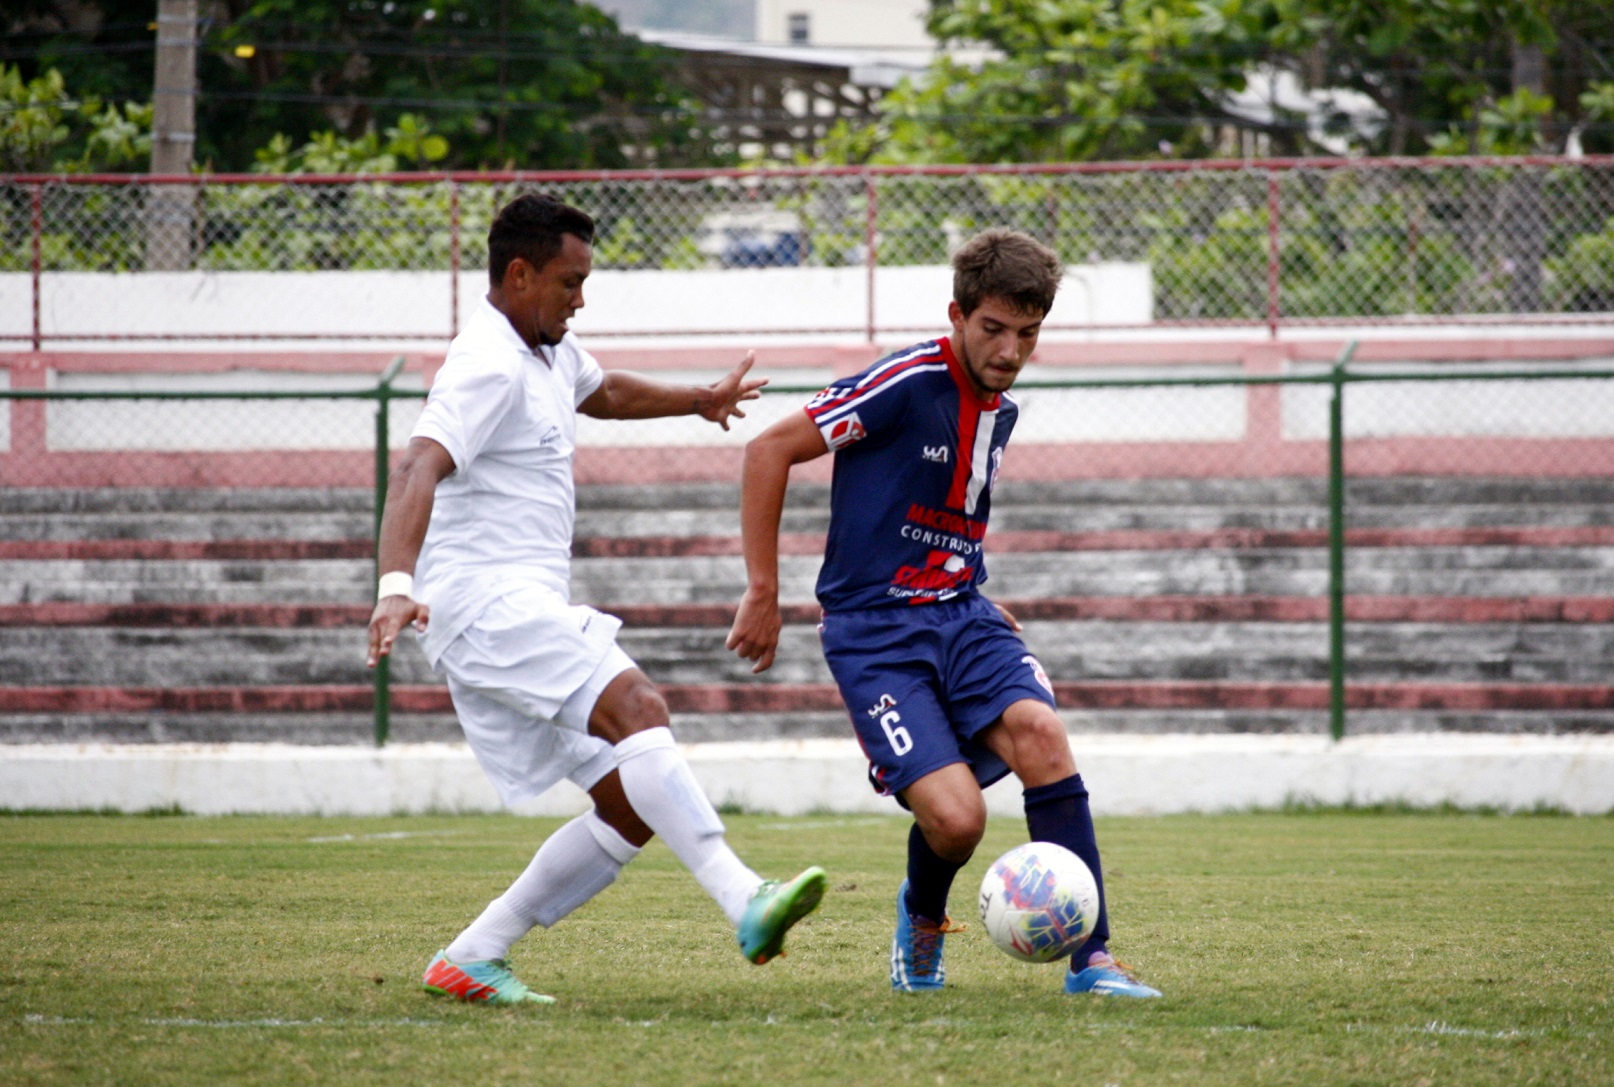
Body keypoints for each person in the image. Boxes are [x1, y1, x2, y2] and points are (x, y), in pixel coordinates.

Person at [367, 193, 825, 1006]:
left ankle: (473, 953)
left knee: (627, 800)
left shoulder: (546, 349)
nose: (581, 299)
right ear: (519, 274)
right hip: (483, 603)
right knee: (639, 706)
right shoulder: (486, 363)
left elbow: (602, 389)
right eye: (569, 282)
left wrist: (699, 400)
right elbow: (417, 466)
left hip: (512, 608)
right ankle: (743, 896)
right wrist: (395, 586)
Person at [725, 228, 1160, 998]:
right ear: (957, 315)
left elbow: (946, 517)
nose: (1010, 349)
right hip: (875, 636)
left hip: (961, 615)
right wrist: (764, 588)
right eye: (993, 328)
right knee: (958, 821)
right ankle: (922, 916)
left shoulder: (1000, 409)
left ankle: (1092, 959)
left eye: (1028, 333)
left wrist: (969, 590)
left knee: (1042, 733)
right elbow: (769, 450)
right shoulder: (905, 381)